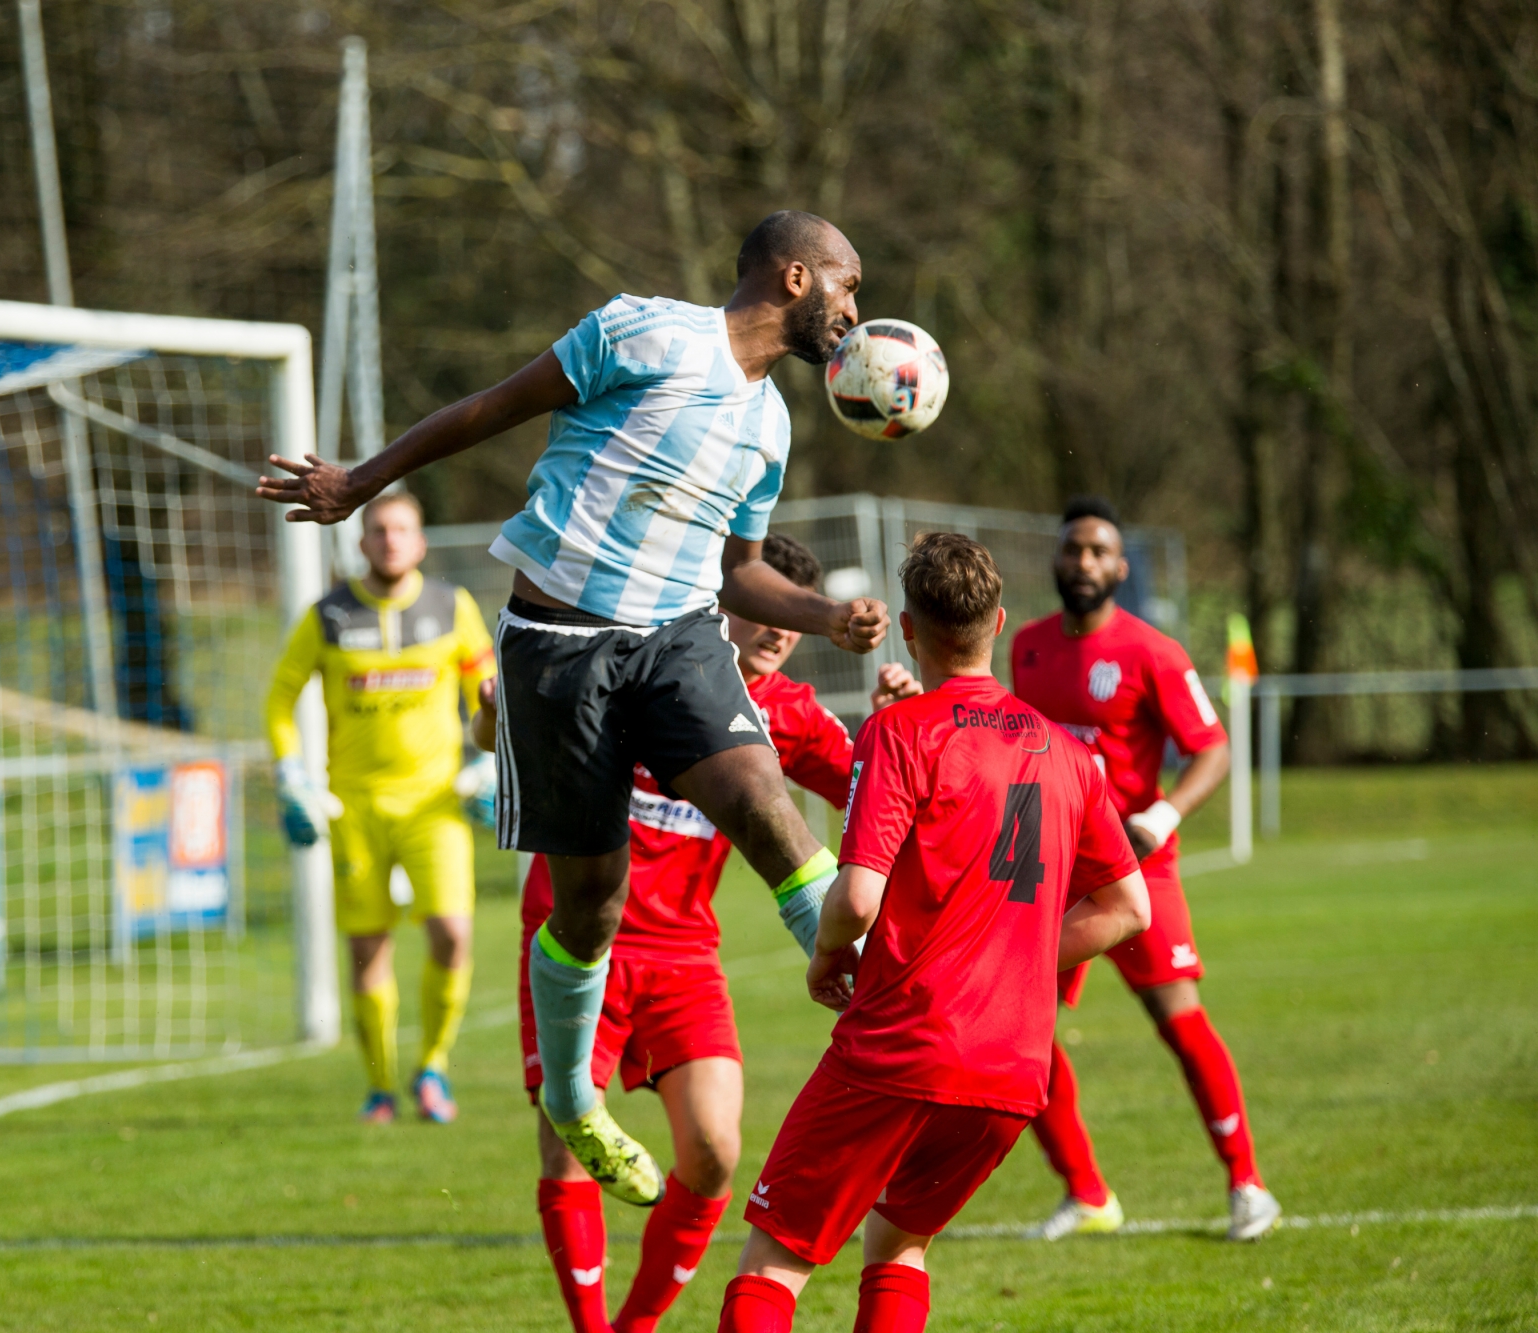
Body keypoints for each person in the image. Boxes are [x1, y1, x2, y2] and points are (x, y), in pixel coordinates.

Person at [259, 210, 889, 1204]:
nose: (857, 312)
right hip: (557, 647)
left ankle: (886, 994)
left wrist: (824, 614)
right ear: (796, 278)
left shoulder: (768, 422)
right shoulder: (646, 333)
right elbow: (490, 406)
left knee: (763, 804)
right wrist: (360, 480)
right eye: (849, 287)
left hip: (678, 638)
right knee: (589, 903)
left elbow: (739, 575)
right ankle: (570, 1098)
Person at [473, 533, 912, 1333]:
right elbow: (495, 738)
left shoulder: (790, 715)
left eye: (792, 621)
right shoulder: (638, 658)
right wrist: (490, 710)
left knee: (713, 1149)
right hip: (577, 940)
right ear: (722, 604)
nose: (778, 632)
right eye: (764, 612)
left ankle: (635, 1327)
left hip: (684, 955)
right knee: (568, 1139)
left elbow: (875, 795)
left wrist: (891, 730)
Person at [716, 532, 1151, 1333]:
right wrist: (1011, 957)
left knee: (774, 1262)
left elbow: (854, 899)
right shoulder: (1067, 753)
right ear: (1001, 623)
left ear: (910, 630)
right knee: (899, 1244)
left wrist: (826, 955)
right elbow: (1129, 908)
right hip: (1015, 1067)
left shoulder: (903, 732)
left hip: (903, 1039)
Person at [1010, 495, 1283, 1241]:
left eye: (1099, 551)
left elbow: (1214, 746)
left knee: (1181, 1021)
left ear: (1120, 567)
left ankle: (1247, 1185)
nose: (1085, 562)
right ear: (1058, 560)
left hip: (1135, 870)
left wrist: (1160, 818)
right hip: (1051, 875)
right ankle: (1088, 1192)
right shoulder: (1027, 647)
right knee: (1023, 1035)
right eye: (1074, 549)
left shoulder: (1153, 652)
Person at [264, 492, 496, 1124]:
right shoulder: (328, 615)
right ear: (361, 543)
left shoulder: (454, 607)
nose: (390, 540)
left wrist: (488, 758)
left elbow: (490, 690)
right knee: (369, 949)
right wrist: (292, 774)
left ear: (420, 543)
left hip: (436, 803)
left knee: (453, 933)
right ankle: (380, 1088)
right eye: (378, 531)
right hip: (357, 809)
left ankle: (433, 1068)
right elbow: (281, 698)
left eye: (402, 530)